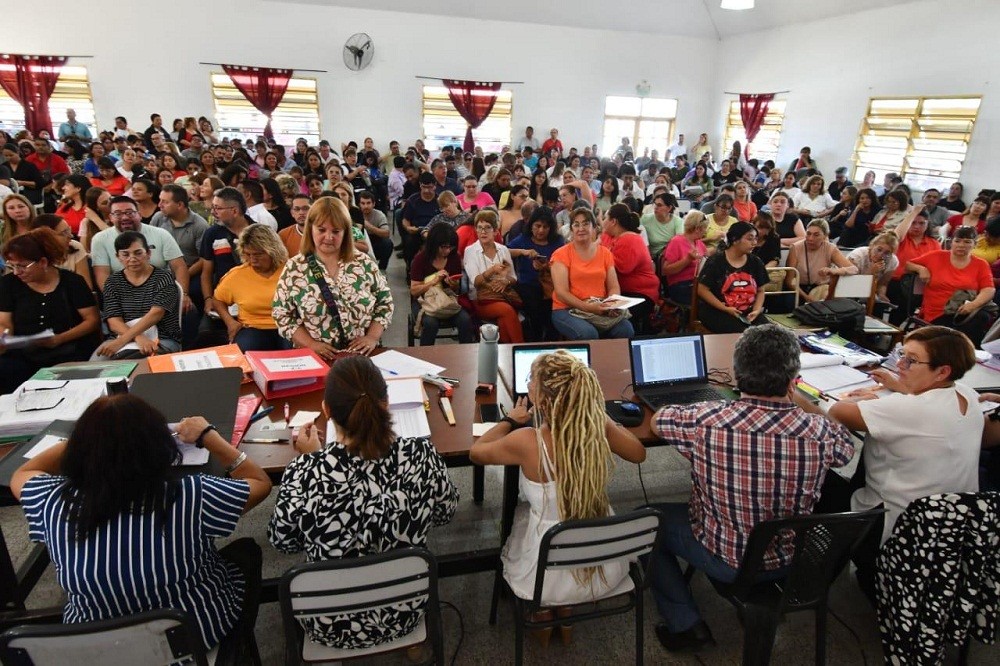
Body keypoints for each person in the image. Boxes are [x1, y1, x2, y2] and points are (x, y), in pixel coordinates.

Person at [11, 394, 272, 661]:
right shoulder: (190, 495)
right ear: (160, 447)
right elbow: (259, 482)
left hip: (96, 649)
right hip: (192, 637)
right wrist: (209, 437)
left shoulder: (51, 500)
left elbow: (21, 474)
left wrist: (90, 441)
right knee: (246, 551)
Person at [649, 324, 855, 651]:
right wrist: (801, 400)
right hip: (792, 560)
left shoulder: (705, 420)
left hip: (726, 560)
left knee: (648, 521)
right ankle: (750, 605)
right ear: (793, 379)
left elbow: (658, 421)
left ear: (737, 374)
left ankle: (685, 624)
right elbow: (845, 451)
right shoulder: (820, 431)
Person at [268, 355, 457, 648]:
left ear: (326, 410)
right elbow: (446, 513)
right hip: (405, 611)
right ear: (386, 402)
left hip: (328, 622)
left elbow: (284, 542)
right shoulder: (422, 455)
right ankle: (413, 648)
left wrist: (310, 459)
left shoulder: (305, 472)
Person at [471, 350, 646, 635]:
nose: (528, 386)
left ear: (542, 400)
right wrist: (599, 417)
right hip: (597, 546)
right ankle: (566, 613)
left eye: (531, 382)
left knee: (520, 520)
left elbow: (477, 452)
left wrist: (510, 421)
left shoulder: (527, 440)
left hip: (547, 552)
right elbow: (638, 454)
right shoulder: (596, 426)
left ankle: (546, 611)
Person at [826, 326, 982, 601]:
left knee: (824, 480)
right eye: (901, 354)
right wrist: (900, 387)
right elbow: (924, 404)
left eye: (911, 360)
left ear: (942, 371)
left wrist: (860, 399)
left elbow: (837, 411)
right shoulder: (967, 394)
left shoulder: (905, 409)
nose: (899, 364)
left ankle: (817, 573)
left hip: (896, 528)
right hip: (948, 526)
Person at [272, 197, 393, 359]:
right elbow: (282, 314)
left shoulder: (364, 263)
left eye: (336, 231)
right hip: (316, 358)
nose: (329, 237)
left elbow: (384, 303)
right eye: (321, 230)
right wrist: (311, 344)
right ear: (310, 229)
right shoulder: (295, 268)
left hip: (362, 356)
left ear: (346, 232)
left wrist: (372, 337)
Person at [0, 228, 99, 393]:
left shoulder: (72, 282)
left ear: (43, 262)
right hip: (23, 354)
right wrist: (5, 337)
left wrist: (59, 339)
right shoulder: (8, 284)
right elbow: (4, 321)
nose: (17, 272)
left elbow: (91, 320)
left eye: (22, 266)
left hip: (68, 349)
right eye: (13, 266)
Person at [95, 231, 183, 358]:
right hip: (123, 338)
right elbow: (113, 321)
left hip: (163, 338)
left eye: (138, 253)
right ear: (117, 257)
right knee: (97, 362)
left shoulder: (163, 278)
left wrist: (122, 341)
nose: (132, 259)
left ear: (148, 253)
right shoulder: (112, 282)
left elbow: (156, 314)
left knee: (130, 361)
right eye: (125, 254)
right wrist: (138, 337)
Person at [550, 208, 634, 340]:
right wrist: (588, 307)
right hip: (567, 309)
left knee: (626, 329)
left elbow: (613, 286)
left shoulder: (605, 253)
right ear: (571, 230)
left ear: (594, 228)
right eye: (576, 224)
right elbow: (561, 293)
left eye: (585, 223)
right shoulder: (561, 254)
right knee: (589, 334)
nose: (581, 228)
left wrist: (611, 305)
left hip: (599, 306)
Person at [905, 225, 995, 345]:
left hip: (964, 311)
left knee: (982, 317)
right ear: (951, 242)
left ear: (974, 244)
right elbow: (908, 264)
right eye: (957, 241)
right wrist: (921, 268)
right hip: (937, 313)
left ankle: (966, 353)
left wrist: (974, 305)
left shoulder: (981, 264)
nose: (961, 245)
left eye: (967, 242)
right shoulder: (936, 256)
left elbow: (989, 289)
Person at [211, 224, 289, 352]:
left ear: (273, 251)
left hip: (289, 327)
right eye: (248, 254)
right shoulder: (236, 275)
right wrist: (230, 322)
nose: (252, 260)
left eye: (258, 254)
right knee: (244, 352)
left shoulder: (291, 271)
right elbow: (218, 300)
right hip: (252, 327)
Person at [462, 210, 524, 343]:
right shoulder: (470, 251)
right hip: (481, 299)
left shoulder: (503, 250)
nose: (483, 232)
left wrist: (505, 282)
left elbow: (513, 278)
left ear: (496, 231)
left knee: (503, 319)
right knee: (507, 311)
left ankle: (505, 355)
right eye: (480, 228)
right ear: (476, 230)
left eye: (488, 227)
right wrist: (492, 270)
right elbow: (476, 282)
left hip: (503, 295)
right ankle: (519, 347)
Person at [409, 222, 475, 345]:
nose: (447, 250)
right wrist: (433, 281)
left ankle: (466, 355)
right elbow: (414, 291)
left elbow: (456, 290)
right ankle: (426, 358)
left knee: (465, 320)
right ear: (434, 245)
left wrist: (452, 284)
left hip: (447, 299)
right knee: (430, 324)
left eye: (451, 247)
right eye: (444, 247)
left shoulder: (454, 257)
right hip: (424, 300)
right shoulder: (421, 259)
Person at [697, 221, 769, 333]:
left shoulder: (756, 262)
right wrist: (725, 309)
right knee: (742, 333)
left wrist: (756, 310)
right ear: (735, 239)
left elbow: (760, 291)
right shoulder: (716, 261)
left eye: (755, 238)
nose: (754, 243)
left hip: (748, 313)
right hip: (718, 311)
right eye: (750, 239)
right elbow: (702, 290)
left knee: (770, 333)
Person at [507, 206, 565, 342]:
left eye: (545, 227)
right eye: (537, 226)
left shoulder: (557, 241)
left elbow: (564, 264)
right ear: (531, 225)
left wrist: (546, 267)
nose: (541, 230)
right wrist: (523, 252)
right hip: (528, 285)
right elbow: (505, 251)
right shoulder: (524, 239)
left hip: (552, 283)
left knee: (552, 303)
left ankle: (550, 339)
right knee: (534, 298)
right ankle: (536, 338)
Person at [601, 204, 659, 331]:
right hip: (623, 292)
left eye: (605, 218)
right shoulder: (610, 236)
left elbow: (620, 268)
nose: (602, 222)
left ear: (613, 221)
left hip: (639, 293)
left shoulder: (629, 239)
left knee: (607, 316)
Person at [785, 219, 858, 303]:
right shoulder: (795, 248)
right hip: (799, 289)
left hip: (821, 288)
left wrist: (834, 271)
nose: (810, 238)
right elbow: (789, 281)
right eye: (808, 234)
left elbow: (854, 269)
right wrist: (806, 297)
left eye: (816, 235)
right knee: (789, 302)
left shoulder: (830, 248)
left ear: (825, 236)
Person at [30, 214, 91, 290]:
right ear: (46, 238)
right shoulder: (30, 257)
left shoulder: (75, 246)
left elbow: (86, 286)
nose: (71, 235)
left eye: (68, 230)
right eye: (63, 233)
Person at [847, 232, 900, 302]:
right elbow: (851, 285)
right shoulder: (857, 256)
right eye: (879, 250)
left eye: (887, 253)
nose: (881, 255)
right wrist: (871, 272)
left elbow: (883, 284)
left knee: (879, 305)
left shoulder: (892, 261)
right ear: (872, 245)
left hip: (869, 292)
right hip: (848, 290)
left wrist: (881, 294)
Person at [640, 193, 684, 260]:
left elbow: (679, 243)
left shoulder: (678, 221)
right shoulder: (645, 219)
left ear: (669, 208)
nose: (656, 207)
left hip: (671, 256)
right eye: (655, 204)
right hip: (652, 258)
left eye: (659, 205)